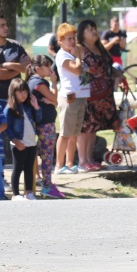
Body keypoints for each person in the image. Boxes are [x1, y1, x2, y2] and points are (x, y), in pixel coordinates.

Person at [77, 19, 121, 172]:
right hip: (87, 95)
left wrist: (118, 75)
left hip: (103, 96)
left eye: (94, 28)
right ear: (82, 33)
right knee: (85, 129)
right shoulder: (79, 48)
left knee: (93, 128)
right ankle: (82, 161)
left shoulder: (99, 48)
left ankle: (90, 159)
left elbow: (108, 66)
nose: (94, 31)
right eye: (89, 29)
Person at [28, 55, 65, 198]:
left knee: (38, 155)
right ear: (38, 68)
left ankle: (41, 182)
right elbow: (55, 100)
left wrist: (52, 101)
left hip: (38, 122)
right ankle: (47, 185)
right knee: (47, 155)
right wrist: (54, 83)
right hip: (45, 123)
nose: (50, 69)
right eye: (47, 66)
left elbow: (53, 101)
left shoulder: (32, 81)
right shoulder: (40, 83)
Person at [54, 22, 89, 175]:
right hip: (70, 98)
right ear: (60, 40)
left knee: (74, 134)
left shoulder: (72, 54)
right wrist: (78, 57)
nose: (72, 41)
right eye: (68, 38)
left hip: (81, 96)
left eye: (73, 38)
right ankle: (59, 165)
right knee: (65, 133)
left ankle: (69, 163)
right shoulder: (63, 55)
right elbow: (77, 70)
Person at [5, 79, 42, 201]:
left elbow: (38, 120)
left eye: (25, 91)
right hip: (19, 144)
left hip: (31, 142)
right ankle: (16, 194)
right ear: (13, 92)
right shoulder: (10, 109)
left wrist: (37, 108)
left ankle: (29, 193)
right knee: (17, 168)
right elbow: (7, 127)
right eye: (20, 92)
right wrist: (16, 141)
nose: (23, 94)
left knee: (29, 168)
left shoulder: (28, 106)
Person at [0, 14, 30, 102]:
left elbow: (29, 66)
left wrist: (10, 65)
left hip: (18, 98)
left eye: (6, 25)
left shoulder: (16, 45)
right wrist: (19, 68)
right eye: (2, 26)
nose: (6, 28)